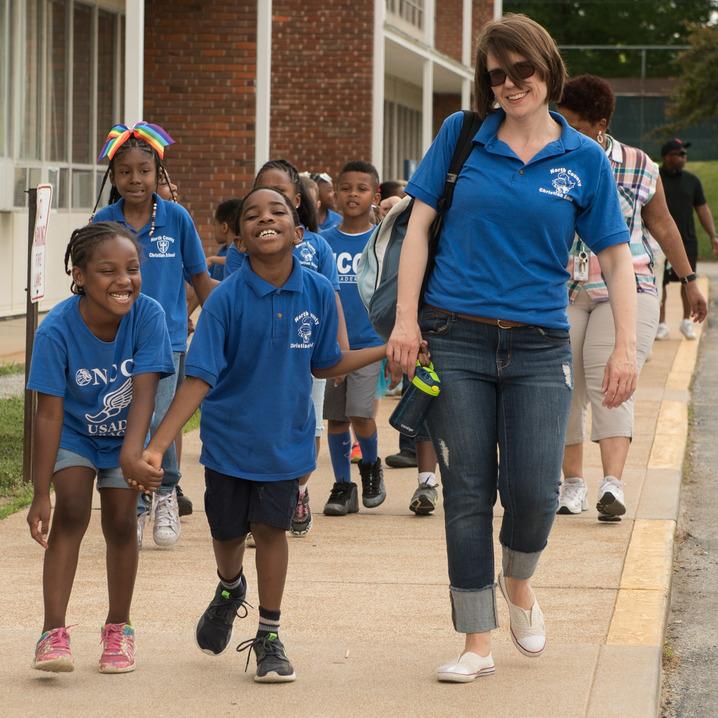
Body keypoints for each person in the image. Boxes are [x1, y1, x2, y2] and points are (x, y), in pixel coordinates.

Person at [387, 13, 638, 683]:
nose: (509, 84)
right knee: (468, 491)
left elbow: (616, 256)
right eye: (496, 75)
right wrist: (406, 320)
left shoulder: (581, 157)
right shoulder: (462, 136)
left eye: (521, 70)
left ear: (546, 70)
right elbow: (417, 231)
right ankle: (476, 640)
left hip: (538, 345)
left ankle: (519, 579)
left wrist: (626, 349)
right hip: (454, 336)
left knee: (534, 490)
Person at [128, 187, 386, 682]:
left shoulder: (318, 292)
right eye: (251, 215)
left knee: (270, 532)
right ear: (240, 240)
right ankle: (229, 588)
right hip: (228, 444)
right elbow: (199, 377)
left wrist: (384, 351)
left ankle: (269, 633)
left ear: (299, 231)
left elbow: (329, 363)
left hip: (284, 445)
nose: (264, 218)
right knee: (226, 534)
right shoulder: (225, 299)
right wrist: (157, 446)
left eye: (277, 212)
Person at [555, 75, 708, 519]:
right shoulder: (550, 158)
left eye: (575, 124)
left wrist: (689, 279)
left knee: (611, 379)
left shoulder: (637, 164)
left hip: (628, 286)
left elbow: (662, 225)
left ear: (600, 124)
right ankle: (573, 484)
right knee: (561, 385)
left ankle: (612, 484)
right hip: (564, 288)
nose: (565, 130)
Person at [26, 222, 174, 674]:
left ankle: (118, 629)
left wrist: (133, 456)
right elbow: (48, 414)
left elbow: (145, 395)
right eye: (107, 270)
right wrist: (39, 492)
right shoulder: (56, 331)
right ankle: (53, 632)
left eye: (132, 268)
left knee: (120, 521)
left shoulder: (148, 316)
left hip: (125, 435)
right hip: (74, 433)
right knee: (71, 508)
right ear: (80, 275)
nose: (123, 280)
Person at [92, 122, 214, 549]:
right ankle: (137, 503)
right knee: (129, 421)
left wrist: (222, 322)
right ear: (114, 176)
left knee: (161, 421)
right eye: (125, 172)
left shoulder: (176, 218)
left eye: (144, 171)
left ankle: (162, 495)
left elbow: (199, 277)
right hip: (116, 343)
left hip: (168, 342)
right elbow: (89, 281)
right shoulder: (103, 221)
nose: (135, 180)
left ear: (158, 173)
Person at [225, 160, 349, 537]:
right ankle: (254, 499)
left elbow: (332, 297)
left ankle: (298, 489)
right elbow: (232, 295)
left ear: (296, 202)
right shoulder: (241, 249)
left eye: (279, 199)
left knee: (306, 421)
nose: (266, 212)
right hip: (256, 354)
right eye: (258, 199)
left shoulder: (318, 246)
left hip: (304, 348)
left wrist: (341, 347)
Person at [321, 161, 387, 516]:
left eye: (361, 189)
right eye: (345, 188)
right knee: (336, 418)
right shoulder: (323, 242)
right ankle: (343, 486)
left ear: (375, 196)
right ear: (334, 194)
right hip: (331, 345)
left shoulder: (381, 241)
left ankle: (371, 467)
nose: (352, 195)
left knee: (361, 413)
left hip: (368, 343)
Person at [656, 138, 717, 340]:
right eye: (678, 154)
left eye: (684, 154)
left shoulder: (692, 181)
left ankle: (686, 322)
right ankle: (661, 324)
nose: (683, 157)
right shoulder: (655, 177)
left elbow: (703, 210)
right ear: (667, 157)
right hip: (658, 242)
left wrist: (713, 236)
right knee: (660, 284)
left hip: (687, 241)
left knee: (687, 281)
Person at [207, 199, 241, 282]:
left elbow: (238, 260)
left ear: (224, 227)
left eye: (215, 224)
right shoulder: (222, 251)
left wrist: (212, 259)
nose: (213, 229)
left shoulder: (243, 250)